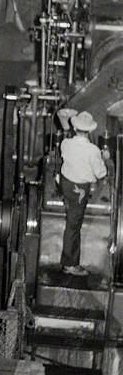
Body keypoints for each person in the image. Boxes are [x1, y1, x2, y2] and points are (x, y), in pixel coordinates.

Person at [58, 110, 107, 273]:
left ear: (75, 127)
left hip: (65, 184)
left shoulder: (66, 143)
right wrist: (104, 158)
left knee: (72, 219)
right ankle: (70, 264)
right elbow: (101, 173)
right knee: (74, 226)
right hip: (79, 189)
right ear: (90, 130)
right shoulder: (93, 150)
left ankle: (70, 259)